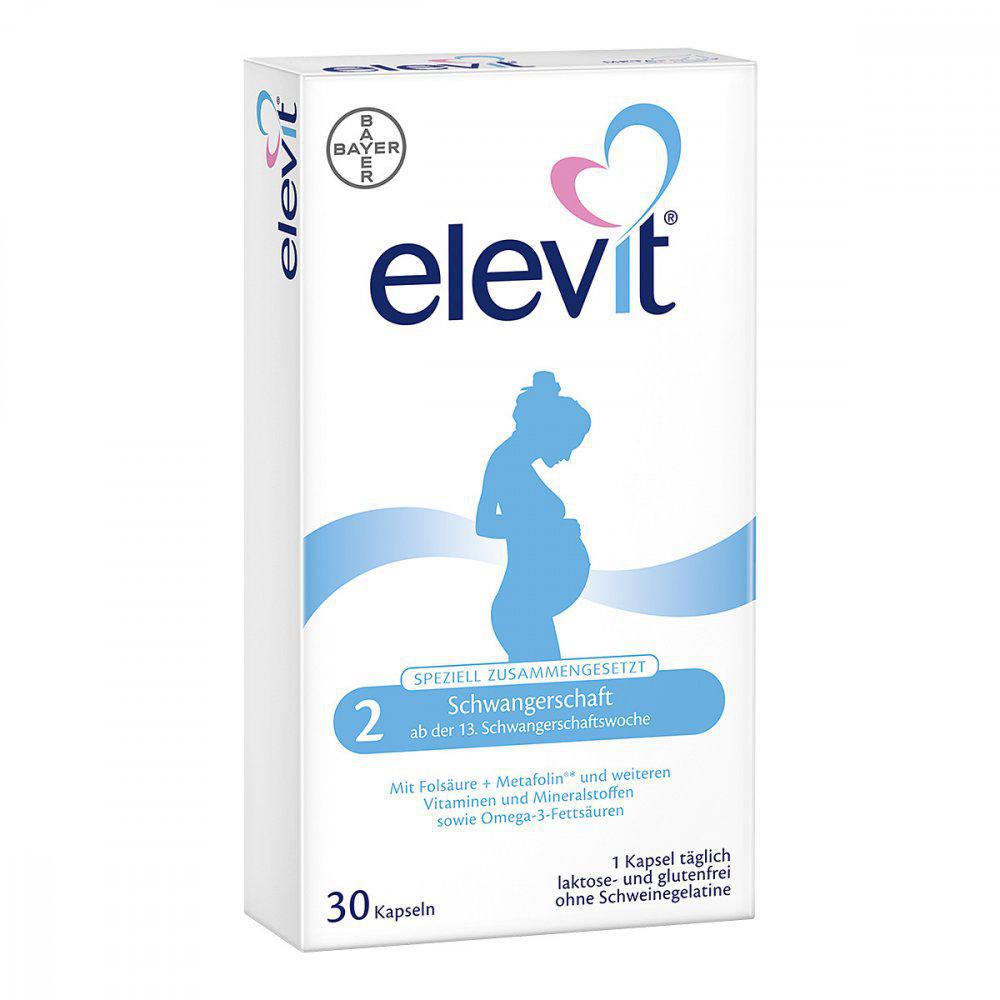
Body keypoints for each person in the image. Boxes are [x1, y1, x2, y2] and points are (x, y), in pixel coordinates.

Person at [476, 372, 591, 661]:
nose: (567, 455)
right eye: (568, 443)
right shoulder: (506, 462)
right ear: (550, 430)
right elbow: (484, 524)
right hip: (521, 607)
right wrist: (550, 529)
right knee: (545, 683)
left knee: (549, 681)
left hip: (530, 606)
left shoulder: (516, 463)